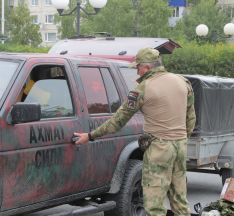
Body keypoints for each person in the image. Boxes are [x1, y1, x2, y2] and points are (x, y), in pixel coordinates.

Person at [74, 47, 196, 216]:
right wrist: (181, 140)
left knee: (155, 205)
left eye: (138, 67)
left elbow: (117, 122)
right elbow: (190, 119)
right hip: (180, 146)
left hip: (159, 149)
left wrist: (90, 136)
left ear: (147, 67)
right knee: (180, 201)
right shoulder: (183, 82)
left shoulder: (142, 89)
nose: (137, 71)